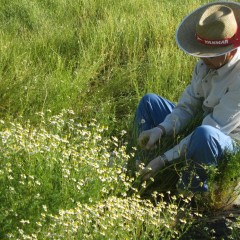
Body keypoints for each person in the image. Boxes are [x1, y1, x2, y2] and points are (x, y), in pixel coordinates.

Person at [135, 1, 240, 193]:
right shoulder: (207, 63)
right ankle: (141, 170)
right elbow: (188, 105)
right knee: (150, 102)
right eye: (201, 53)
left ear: (230, 51)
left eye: (209, 55)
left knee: (204, 135)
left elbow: (214, 127)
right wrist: (161, 129)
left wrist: (164, 159)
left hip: (230, 141)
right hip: (206, 126)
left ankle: (189, 197)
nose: (202, 59)